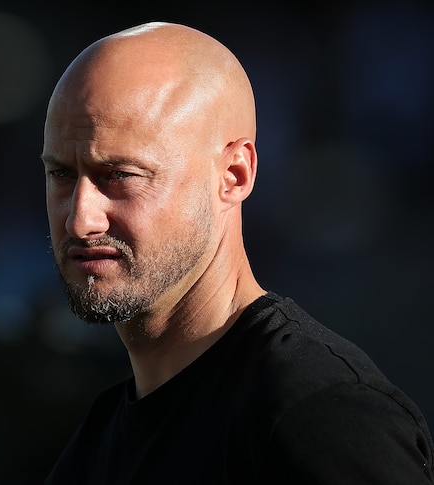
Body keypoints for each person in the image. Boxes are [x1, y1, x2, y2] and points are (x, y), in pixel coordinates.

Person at [41, 21, 433, 484]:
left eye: (120, 175)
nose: (81, 219)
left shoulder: (318, 416)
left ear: (234, 175)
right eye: (62, 175)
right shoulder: (94, 447)